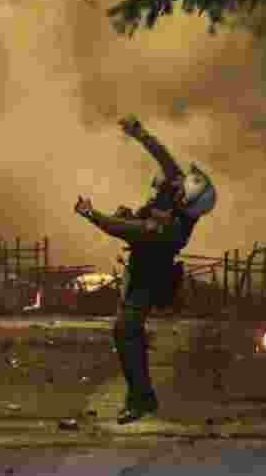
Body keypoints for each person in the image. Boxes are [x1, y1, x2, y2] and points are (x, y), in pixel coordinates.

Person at [74, 115, 217, 424]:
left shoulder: (169, 227)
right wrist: (140, 134)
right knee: (128, 334)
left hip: (147, 278)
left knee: (125, 332)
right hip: (143, 267)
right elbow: (165, 159)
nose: (172, 182)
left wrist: (92, 214)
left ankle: (141, 400)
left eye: (179, 187)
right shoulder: (181, 199)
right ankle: (140, 397)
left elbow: (127, 229)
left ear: (185, 201)